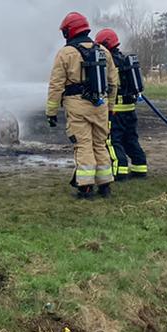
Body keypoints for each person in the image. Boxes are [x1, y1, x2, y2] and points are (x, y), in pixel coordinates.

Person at [46, 12, 117, 198]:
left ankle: (85, 187)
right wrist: (110, 108)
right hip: (101, 105)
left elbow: (56, 85)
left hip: (77, 106)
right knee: (100, 144)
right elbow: (113, 83)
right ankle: (105, 186)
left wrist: (51, 112)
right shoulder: (104, 51)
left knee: (83, 145)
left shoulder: (65, 54)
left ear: (69, 31)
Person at [96, 28, 148, 181]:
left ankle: (119, 171)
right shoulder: (125, 59)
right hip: (130, 109)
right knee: (131, 139)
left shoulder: (108, 62)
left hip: (115, 111)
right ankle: (140, 168)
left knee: (113, 141)